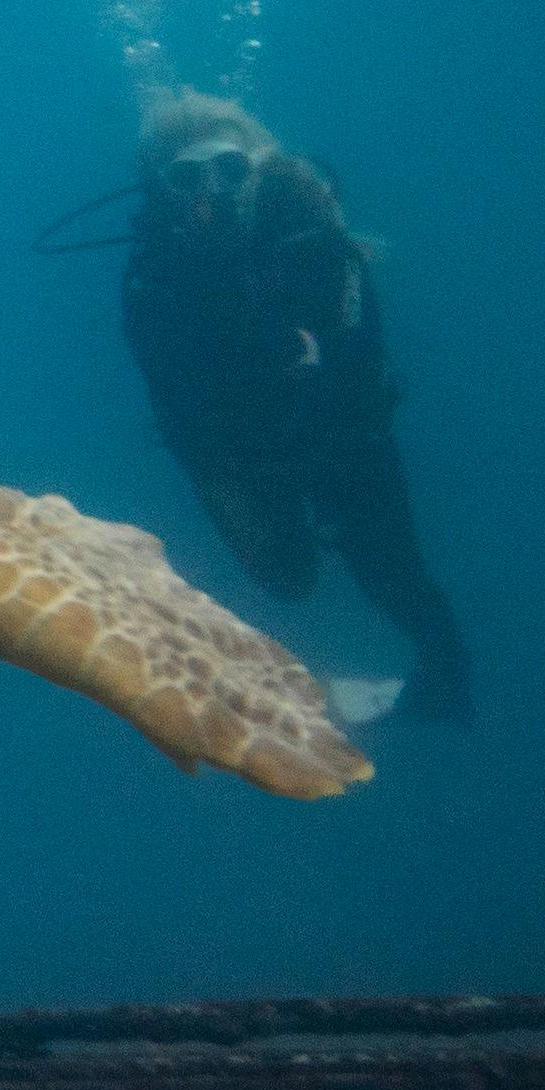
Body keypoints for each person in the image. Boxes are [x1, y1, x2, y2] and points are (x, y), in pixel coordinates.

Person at [116, 90, 471, 723]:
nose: (215, 190)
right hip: (235, 451)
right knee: (287, 579)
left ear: (255, 163)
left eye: (230, 168)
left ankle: (444, 680)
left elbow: (361, 342)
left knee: (392, 572)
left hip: (340, 427)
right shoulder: (155, 274)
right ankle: (280, 681)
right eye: (189, 176)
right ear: (167, 188)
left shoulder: (304, 222)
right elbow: (168, 393)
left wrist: (309, 353)